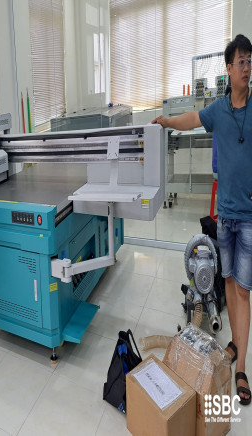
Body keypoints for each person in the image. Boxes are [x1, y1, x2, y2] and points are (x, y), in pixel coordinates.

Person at [152, 34, 252, 406]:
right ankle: (235, 345)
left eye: (250, 61)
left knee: (244, 290)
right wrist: (166, 122)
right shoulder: (218, 110)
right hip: (225, 215)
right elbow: (192, 118)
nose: (246, 68)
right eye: (240, 62)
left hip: (249, 216)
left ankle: (242, 367)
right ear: (228, 68)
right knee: (228, 282)